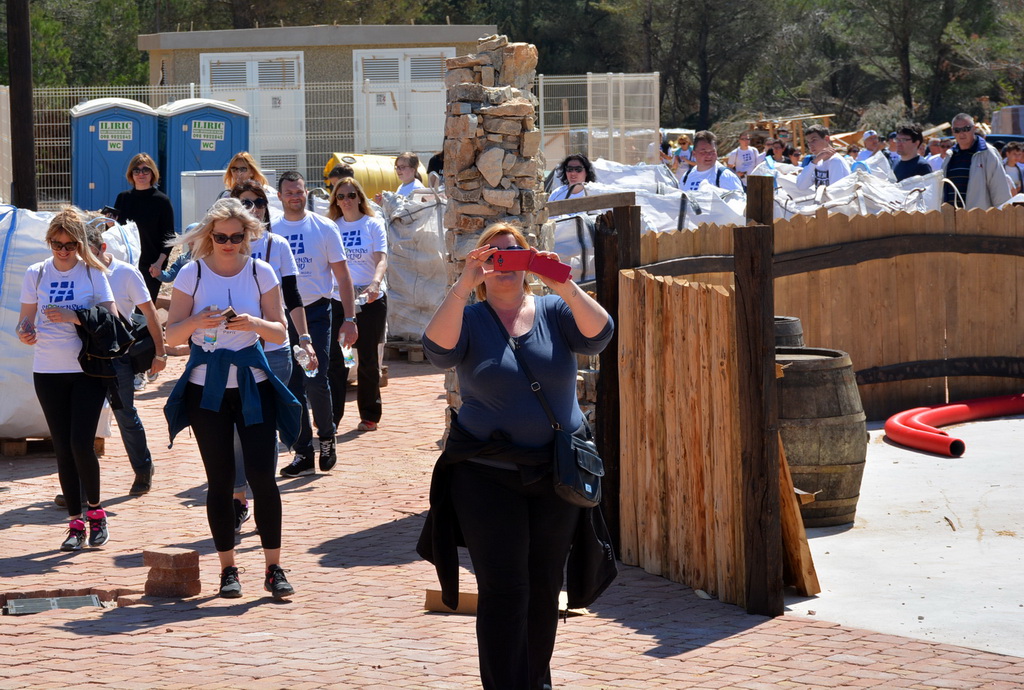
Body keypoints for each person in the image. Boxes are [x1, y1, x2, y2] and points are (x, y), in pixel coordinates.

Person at [418, 222, 616, 690]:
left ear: (529, 261)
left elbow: (600, 335)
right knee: (505, 589)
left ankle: (535, 682)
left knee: (544, 588)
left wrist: (561, 282)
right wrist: (464, 282)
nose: (502, 263)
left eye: (513, 253)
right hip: (485, 476)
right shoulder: (470, 317)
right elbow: (437, 351)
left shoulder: (555, 310)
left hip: (555, 474)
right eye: (492, 255)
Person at [163, 198, 301, 599]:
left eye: (236, 237)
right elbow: (171, 335)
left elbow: (281, 332)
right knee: (220, 482)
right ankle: (228, 569)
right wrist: (197, 321)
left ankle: (273, 567)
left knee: (263, 478)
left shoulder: (261, 271)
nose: (228, 244)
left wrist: (253, 323)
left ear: (247, 235)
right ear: (209, 236)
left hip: (253, 384)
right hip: (206, 390)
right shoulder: (192, 273)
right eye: (220, 237)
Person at [17, 207, 116, 551]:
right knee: (61, 447)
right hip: (47, 370)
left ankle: (96, 513)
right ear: (49, 242)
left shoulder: (92, 273)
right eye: (57, 244)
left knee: (80, 443)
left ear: (80, 244)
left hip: (86, 370)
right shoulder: (36, 273)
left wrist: (74, 317)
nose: (63, 250)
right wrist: (24, 332)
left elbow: (112, 319)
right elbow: (25, 319)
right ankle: (75, 522)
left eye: (70, 245)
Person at [230, 179, 316, 530]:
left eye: (258, 202)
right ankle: (238, 498)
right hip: (233, 350)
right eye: (245, 202)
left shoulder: (276, 244)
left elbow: (292, 296)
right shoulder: (220, 245)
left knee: (263, 427)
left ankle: (264, 494)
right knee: (236, 427)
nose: (253, 208)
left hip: (273, 350)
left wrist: (305, 338)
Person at [273, 171, 358, 477]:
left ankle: (327, 436)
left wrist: (350, 319)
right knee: (291, 384)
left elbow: (343, 276)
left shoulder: (324, 227)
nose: (295, 197)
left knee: (315, 377)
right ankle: (303, 452)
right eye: (289, 192)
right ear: (280, 196)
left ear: (306, 192)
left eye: (299, 191)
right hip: (281, 316)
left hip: (317, 312)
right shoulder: (271, 230)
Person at [84, 224, 167, 496]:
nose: (85, 257)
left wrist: (160, 353)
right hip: (85, 357)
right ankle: (81, 487)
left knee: (125, 415)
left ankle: (143, 469)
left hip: (118, 357)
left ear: (102, 248)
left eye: (90, 251)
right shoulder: (79, 271)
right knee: (82, 419)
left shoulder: (126, 273)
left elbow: (150, 312)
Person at [327, 177, 388, 432]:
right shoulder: (331, 227)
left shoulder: (372, 224)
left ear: (360, 198)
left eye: (351, 195)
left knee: (368, 358)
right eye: (341, 196)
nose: (346, 200)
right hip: (338, 298)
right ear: (335, 201)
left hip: (369, 298)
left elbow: (382, 259)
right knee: (337, 359)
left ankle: (370, 414)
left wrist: (375, 283)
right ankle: (331, 417)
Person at [113, 153, 175, 304]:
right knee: (124, 308)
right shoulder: (123, 198)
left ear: (153, 173)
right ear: (131, 174)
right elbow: (114, 233)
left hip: (151, 266)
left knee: (144, 310)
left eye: (146, 170)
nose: (141, 174)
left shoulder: (162, 201)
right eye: (137, 170)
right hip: (126, 264)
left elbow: (169, 237)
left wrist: (159, 263)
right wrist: (110, 225)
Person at [941, 113, 1012, 209]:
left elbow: (1000, 189)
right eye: (957, 130)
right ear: (952, 131)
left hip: (979, 215)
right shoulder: (950, 155)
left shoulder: (987, 153)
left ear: (974, 128)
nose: (961, 133)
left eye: (966, 129)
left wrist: (1002, 212)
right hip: (951, 215)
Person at [677, 130, 743, 192]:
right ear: (694, 154)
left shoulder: (726, 176)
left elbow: (739, 199)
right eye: (703, 152)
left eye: (712, 151)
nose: (709, 155)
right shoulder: (687, 176)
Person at [796, 124, 851, 190]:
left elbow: (835, 192)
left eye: (814, 140)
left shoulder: (836, 161)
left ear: (826, 139)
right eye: (808, 142)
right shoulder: (818, 162)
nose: (810, 145)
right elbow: (801, 186)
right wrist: (814, 162)